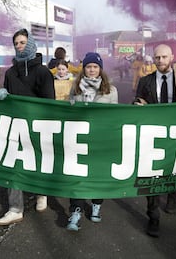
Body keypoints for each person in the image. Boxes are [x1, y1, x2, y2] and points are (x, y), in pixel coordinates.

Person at [0, 28, 55, 226]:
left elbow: (49, 103)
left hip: (37, 127)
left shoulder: (43, 72)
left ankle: (41, 193)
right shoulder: (11, 72)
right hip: (15, 126)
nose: (19, 46)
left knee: (37, 163)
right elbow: (8, 98)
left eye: (22, 42)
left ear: (30, 44)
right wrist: (3, 95)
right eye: (16, 44)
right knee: (13, 166)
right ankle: (15, 208)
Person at [66, 52, 118, 231]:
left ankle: (96, 204)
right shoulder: (76, 88)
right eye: (89, 66)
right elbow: (69, 110)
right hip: (80, 139)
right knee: (77, 176)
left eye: (95, 67)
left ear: (100, 69)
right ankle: (76, 211)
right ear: (84, 68)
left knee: (98, 174)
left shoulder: (110, 90)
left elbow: (115, 117)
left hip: (100, 139)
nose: (92, 70)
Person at [133, 44, 176, 237]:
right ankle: (153, 216)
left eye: (164, 57)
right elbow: (136, 101)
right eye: (157, 57)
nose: (160, 60)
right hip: (153, 134)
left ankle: (173, 195)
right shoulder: (145, 81)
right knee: (151, 174)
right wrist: (137, 104)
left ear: (171, 57)